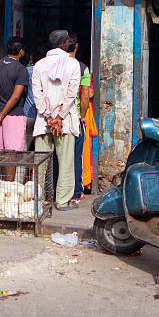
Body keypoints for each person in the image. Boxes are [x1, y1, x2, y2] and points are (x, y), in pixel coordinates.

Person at [32, 29, 81, 211]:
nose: (69, 43)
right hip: (64, 122)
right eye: (68, 40)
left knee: (41, 164)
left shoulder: (39, 65)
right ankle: (61, 201)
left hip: (44, 122)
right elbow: (71, 94)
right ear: (63, 44)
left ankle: (37, 200)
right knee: (66, 162)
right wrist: (59, 117)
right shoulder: (73, 64)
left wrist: (48, 116)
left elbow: (37, 94)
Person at [0, 38, 29, 178]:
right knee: (11, 152)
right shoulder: (20, 69)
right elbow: (16, 96)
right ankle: (9, 186)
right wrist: (3, 114)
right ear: (21, 52)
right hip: (13, 114)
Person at [67, 33, 90, 201]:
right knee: (76, 155)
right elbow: (85, 96)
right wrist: (82, 115)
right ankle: (75, 192)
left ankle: (54, 191)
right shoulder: (82, 67)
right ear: (76, 47)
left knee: (57, 156)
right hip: (74, 116)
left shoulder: (51, 65)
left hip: (55, 117)